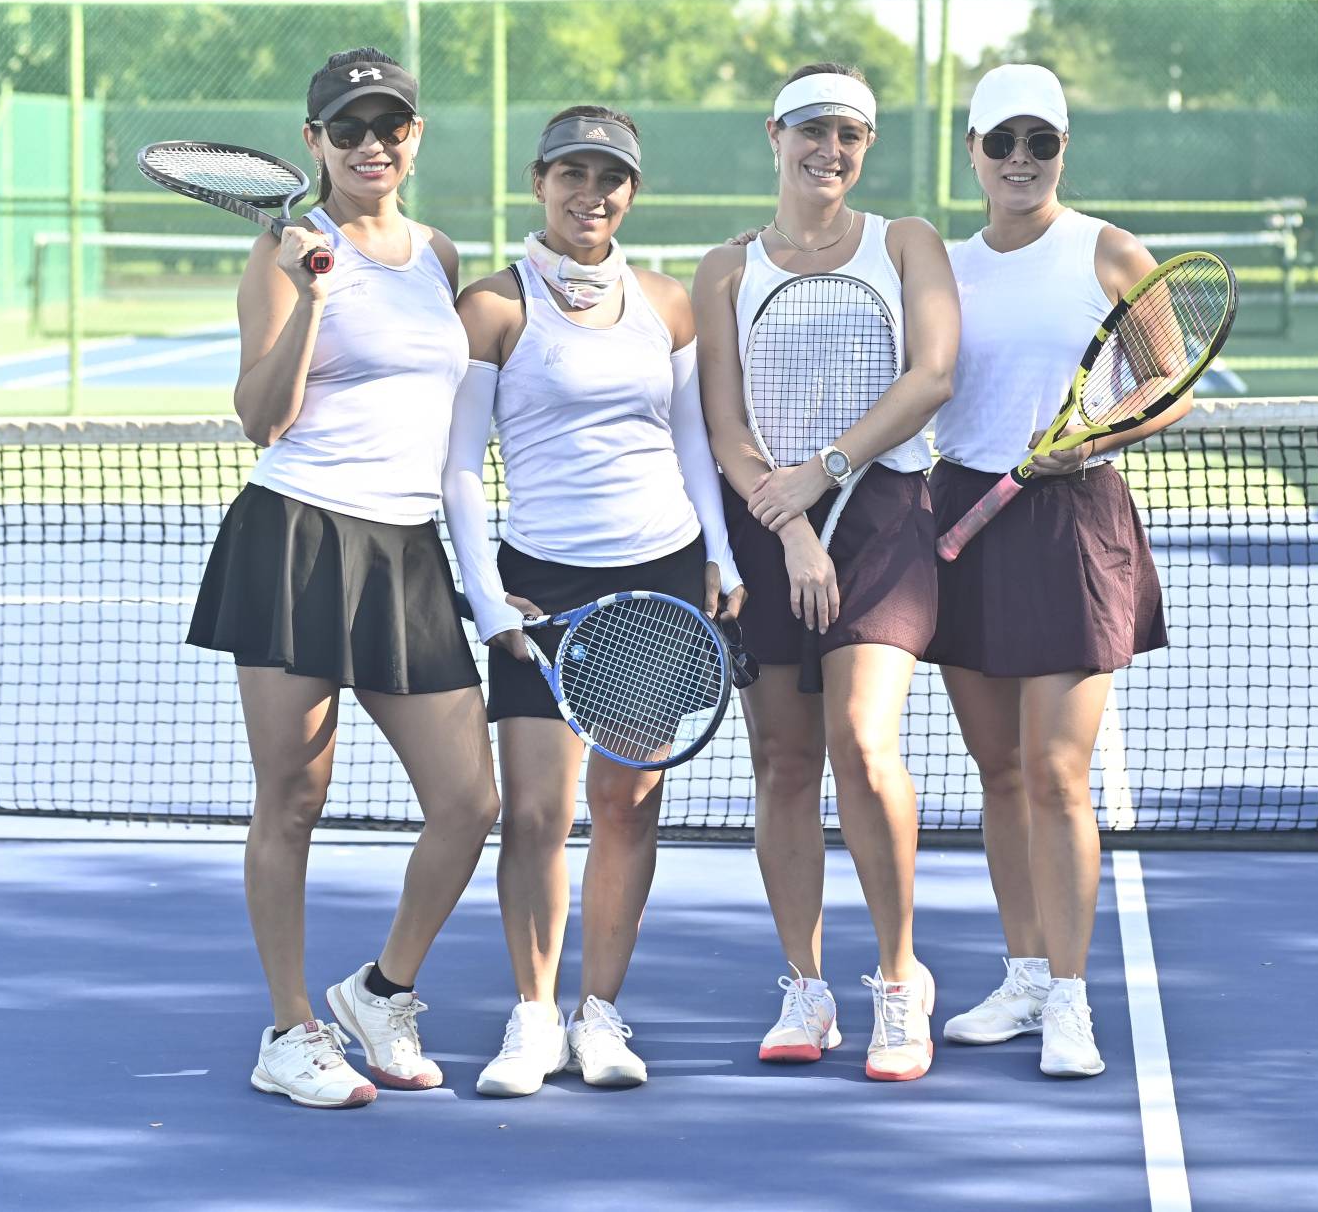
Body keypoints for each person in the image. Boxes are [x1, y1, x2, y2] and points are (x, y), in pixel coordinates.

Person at [186, 48, 500, 1108]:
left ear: (414, 137)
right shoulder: (281, 253)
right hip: (297, 537)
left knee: (468, 801)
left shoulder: (438, 255)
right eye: (349, 128)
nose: (373, 144)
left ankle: (380, 989)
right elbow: (260, 417)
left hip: (406, 549)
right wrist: (313, 294)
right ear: (314, 141)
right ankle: (289, 1030)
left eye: (391, 126)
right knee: (293, 797)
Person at [447, 106, 747, 1098]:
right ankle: (533, 1016)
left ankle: (599, 1012)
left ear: (631, 191)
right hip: (541, 586)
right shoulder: (493, 306)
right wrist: (488, 598)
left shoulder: (666, 303)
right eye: (571, 174)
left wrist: (718, 555)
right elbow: (458, 468)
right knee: (535, 812)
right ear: (538, 182)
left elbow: (694, 441)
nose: (590, 194)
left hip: (658, 576)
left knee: (626, 802)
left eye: (609, 177)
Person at [692, 64, 959, 1082]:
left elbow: (931, 376)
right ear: (775, 135)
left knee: (862, 741)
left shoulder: (906, 242)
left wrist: (826, 472)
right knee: (783, 762)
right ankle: (804, 983)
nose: (829, 151)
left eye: (848, 134)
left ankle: (897, 978)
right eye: (811, 130)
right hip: (768, 520)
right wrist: (792, 520)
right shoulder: (725, 268)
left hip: (883, 513)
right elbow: (725, 423)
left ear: (865, 146)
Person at [927, 63, 1179, 1078]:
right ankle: (1025, 974)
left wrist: (1092, 437)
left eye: (1039, 141)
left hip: (1074, 521)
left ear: (1062, 149)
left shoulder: (1108, 252)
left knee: (1056, 773)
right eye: (1002, 142)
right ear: (973, 151)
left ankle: (1070, 997)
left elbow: (1168, 384)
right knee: (998, 772)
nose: (1020, 160)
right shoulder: (941, 266)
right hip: (964, 515)